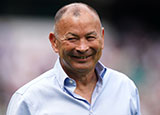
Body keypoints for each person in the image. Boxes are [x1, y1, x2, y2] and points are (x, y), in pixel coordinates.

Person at [6, 2, 141, 115]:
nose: (82, 47)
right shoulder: (28, 100)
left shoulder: (125, 88)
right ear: (54, 42)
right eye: (72, 39)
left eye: (90, 37)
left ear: (102, 37)